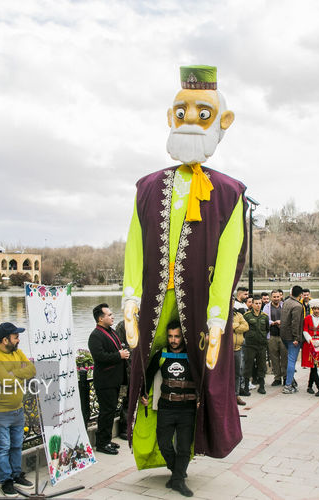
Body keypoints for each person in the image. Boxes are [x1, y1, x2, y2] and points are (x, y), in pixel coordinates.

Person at [123, 65, 246, 465]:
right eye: (182, 111)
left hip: (200, 301)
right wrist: (130, 296)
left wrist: (218, 316)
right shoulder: (147, 187)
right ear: (170, 117)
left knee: (203, 378)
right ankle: (152, 451)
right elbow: (135, 245)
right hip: (154, 299)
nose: (190, 119)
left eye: (203, 113)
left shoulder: (229, 192)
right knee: (146, 368)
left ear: (222, 122)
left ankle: (187, 455)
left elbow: (229, 259)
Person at [141, 320, 196, 497]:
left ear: (183, 336)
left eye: (177, 336)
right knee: (164, 444)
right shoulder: (161, 354)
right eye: (170, 336)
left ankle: (178, 480)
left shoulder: (193, 354)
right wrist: (143, 393)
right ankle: (177, 472)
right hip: (166, 406)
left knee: (184, 447)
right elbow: (148, 374)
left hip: (187, 408)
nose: (173, 340)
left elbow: (205, 376)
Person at [0, 322, 36, 496]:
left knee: (16, 445)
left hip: (18, 409)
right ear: (5, 340)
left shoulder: (17, 352)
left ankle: (16, 475)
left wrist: (14, 374)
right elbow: (5, 382)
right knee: (2, 448)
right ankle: (6, 481)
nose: (18, 340)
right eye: (15, 337)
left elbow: (32, 369)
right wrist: (19, 375)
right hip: (0, 412)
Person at [88, 304, 129, 455]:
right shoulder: (95, 335)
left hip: (115, 380)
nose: (112, 317)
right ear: (100, 318)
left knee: (111, 411)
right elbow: (100, 357)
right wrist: (119, 355)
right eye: (109, 315)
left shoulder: (111, 331)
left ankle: (107, 439)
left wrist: (123, 352)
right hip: (105, 381)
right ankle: (101, 443)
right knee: (106, 412)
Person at [280, 285, 305, 394]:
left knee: (289, 359)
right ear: (301, 294)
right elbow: (295, 323)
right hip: (292, 337)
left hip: (284, 335)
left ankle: (290, 381)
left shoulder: (286, 302)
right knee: (291, 360)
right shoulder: (297, 306)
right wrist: (296, 338)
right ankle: (288, 385)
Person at [242, 297, 269, 395]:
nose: (258, 305)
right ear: (252, 304)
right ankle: (246, 386)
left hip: (261, 345)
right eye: (256, 303)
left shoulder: (265, 316)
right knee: (248, 365)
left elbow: (267, 329)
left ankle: (261, 386)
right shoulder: (247, 316)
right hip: (250, 345)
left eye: (259, 303)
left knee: (262, 365)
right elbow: (244, 330)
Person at [302, 299, 319, 396]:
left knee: (314, 367)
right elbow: (305, 330)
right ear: (312, 309)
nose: (317, 311)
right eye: (315, 309)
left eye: (318, 309)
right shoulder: (307, 318)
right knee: (313, 366)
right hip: (309, 344)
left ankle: (310, 386)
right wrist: (310, 340)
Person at [263, 290, 287, 386]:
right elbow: (265, 319)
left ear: (280, 297)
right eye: (274, 297)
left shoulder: (284, 306)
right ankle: (277, 378)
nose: (276, 298)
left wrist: (282, 322)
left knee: (285, 357)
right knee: (274, 358)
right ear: (271, 297)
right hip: (272, 336)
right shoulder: (267, 307)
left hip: (283, 336)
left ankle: (285, 377)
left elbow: (288, 318)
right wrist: (273, 322)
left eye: (278, 297)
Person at [231, 301, 249, 405]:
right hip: (226, 350)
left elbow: (246, 327)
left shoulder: (238, 315)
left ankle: (236, 395)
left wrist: (233, 326)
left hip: (237, 348)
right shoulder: (222, 314)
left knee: (237, 373)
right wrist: (237, 325)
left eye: (232, 301)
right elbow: (225, 328)